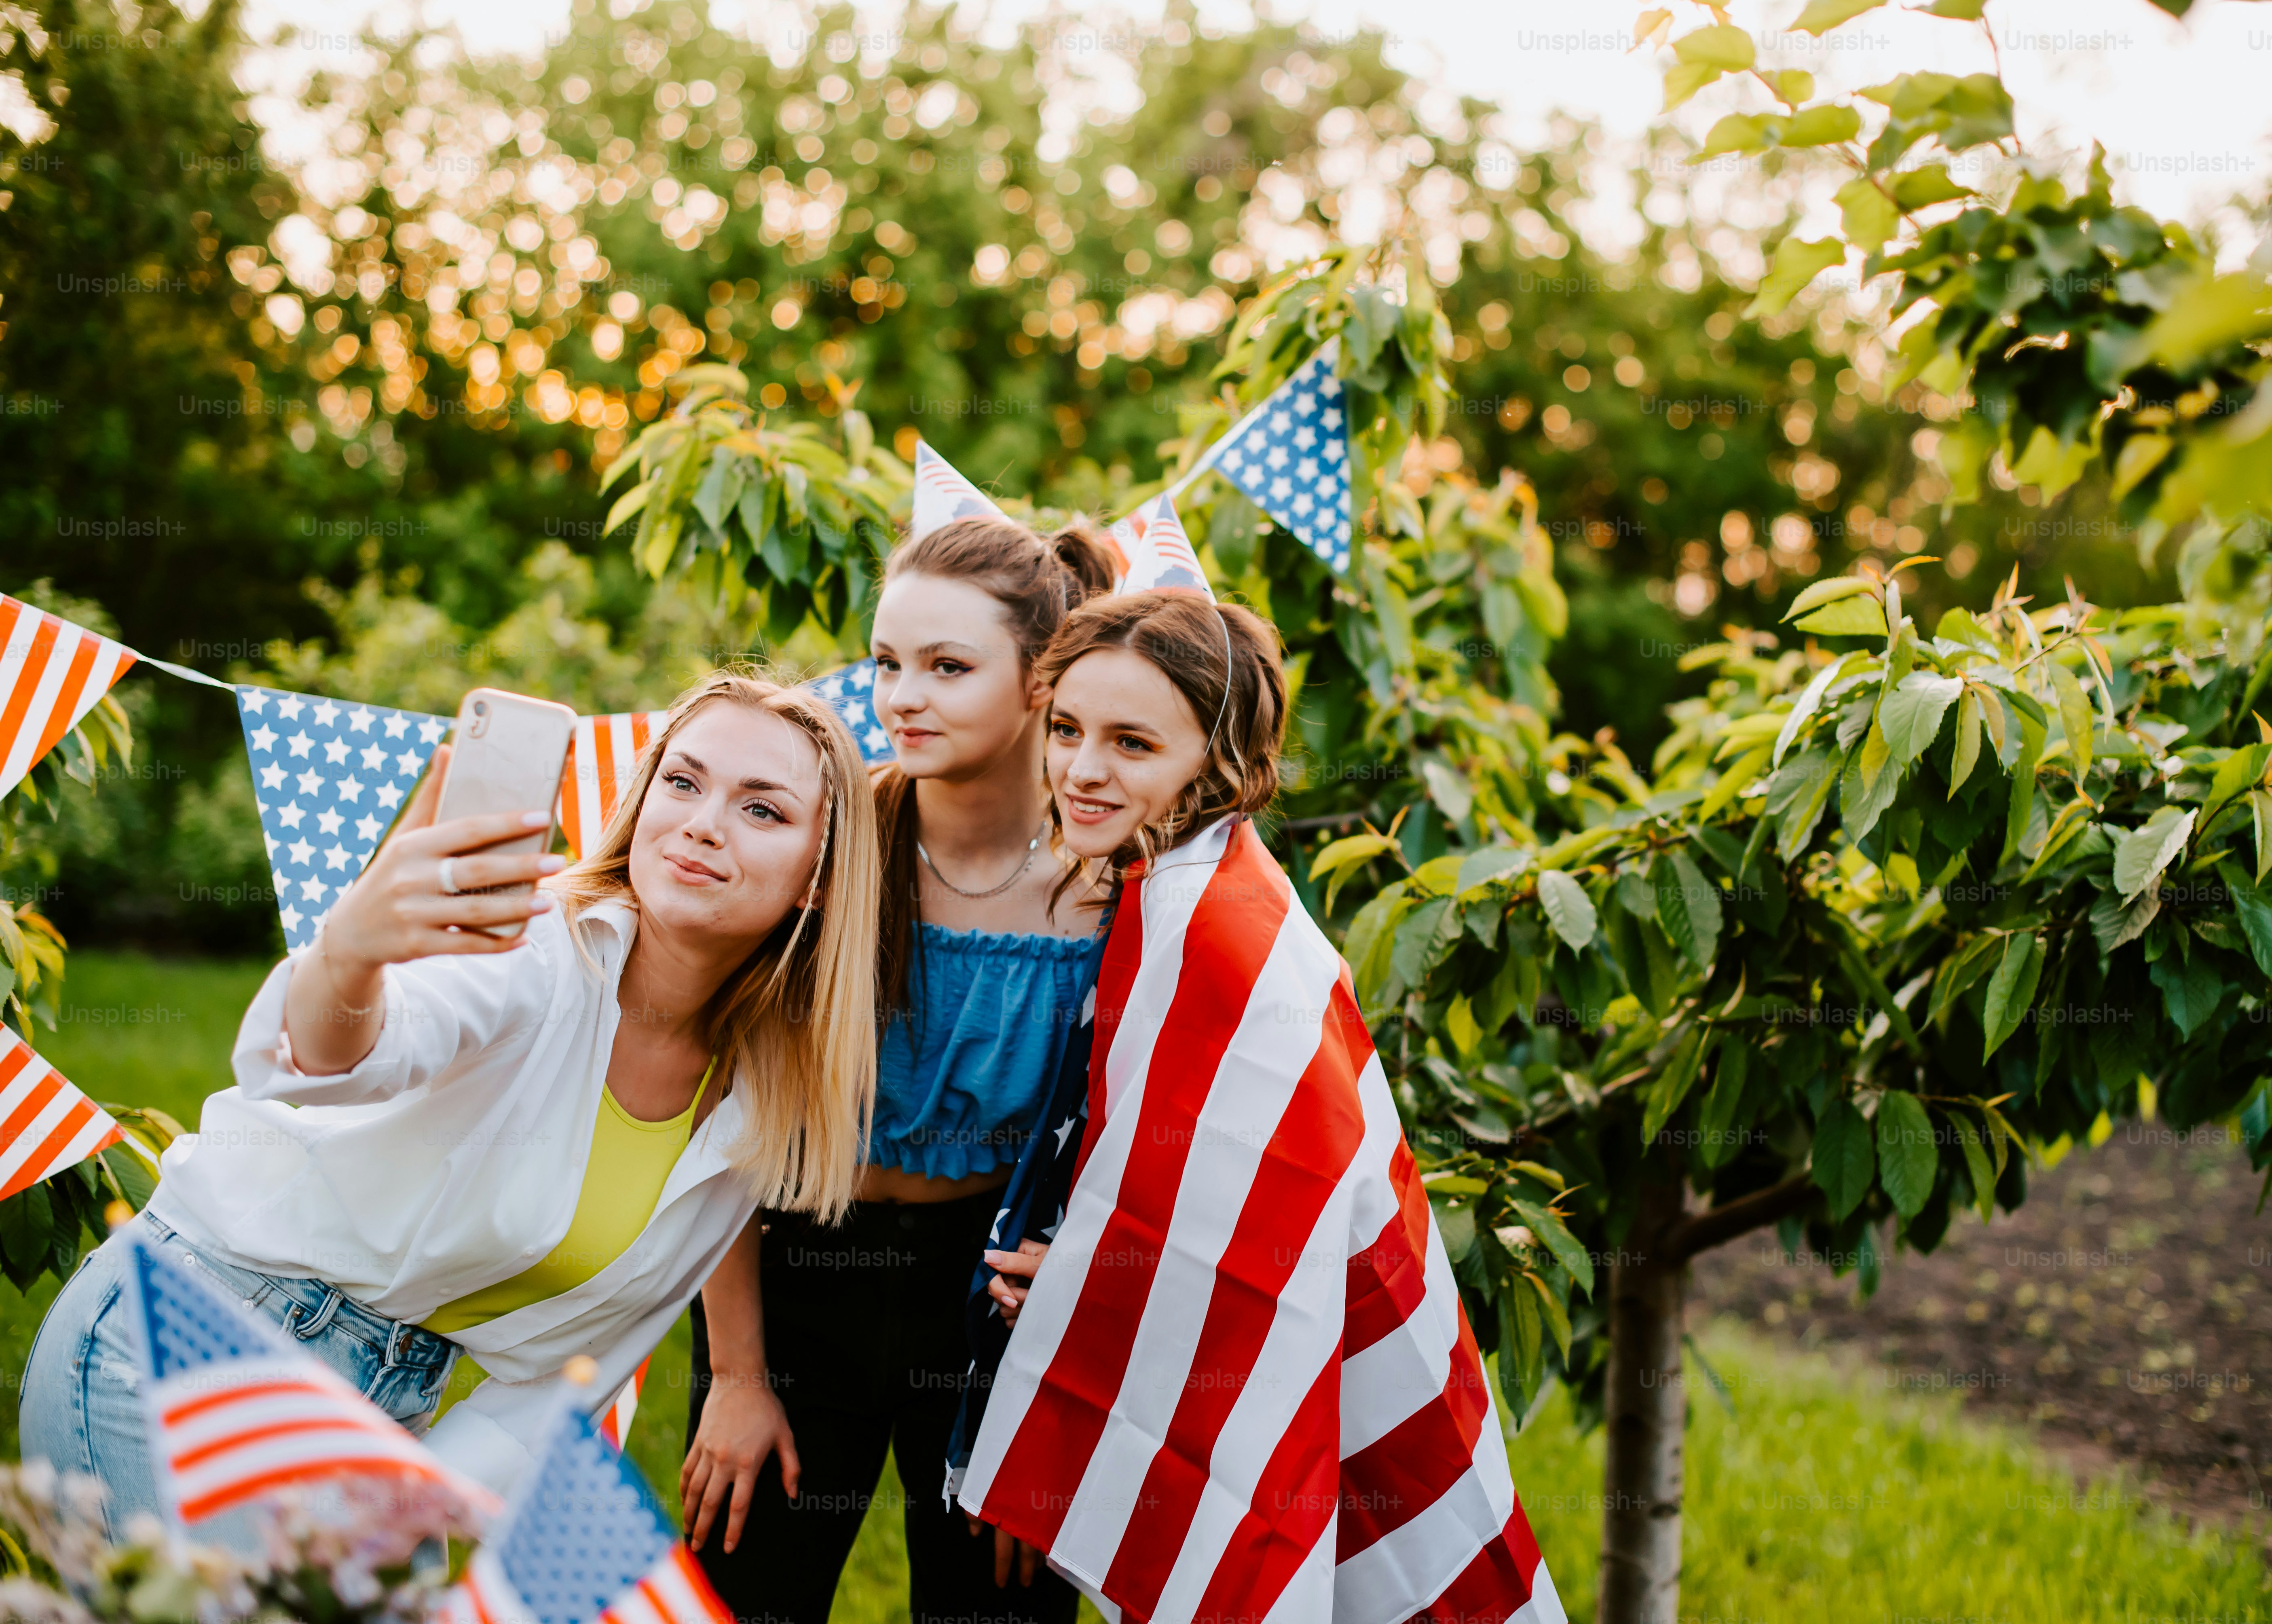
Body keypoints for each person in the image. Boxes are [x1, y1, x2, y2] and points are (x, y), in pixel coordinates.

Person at [21, 671, 882, 1533]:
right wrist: (353, 948)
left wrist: (404, 1509)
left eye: (760, 809)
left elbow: (566, 1380)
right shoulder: (533, 947)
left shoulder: (754, 1102)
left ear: (817, 878)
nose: (701, 823)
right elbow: (341, 1056)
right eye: (683, 782)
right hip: (187, 1338)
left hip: (384, 1414)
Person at [955, 593, 1561, 1624]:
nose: (1082, 769)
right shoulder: (1169, 880)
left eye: (1132, 741)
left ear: (1219, 758)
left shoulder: (1219, 927)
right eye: (1066, 728)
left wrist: (1095, 1281)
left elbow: (1279, 1219)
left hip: (1347, 1367)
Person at [678, 516, 1114, 1624]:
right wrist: (736, 1376)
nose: (900, 697)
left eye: (948, 667)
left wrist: (1052, 1397)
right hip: (794, 1273)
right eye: (887, 663)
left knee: (995, 1606)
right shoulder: (826, 843)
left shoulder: (1112, 886)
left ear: (1040, 682)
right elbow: (721, 1110)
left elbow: (1137, 1150)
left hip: (991, 1305)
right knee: (744, 1596)